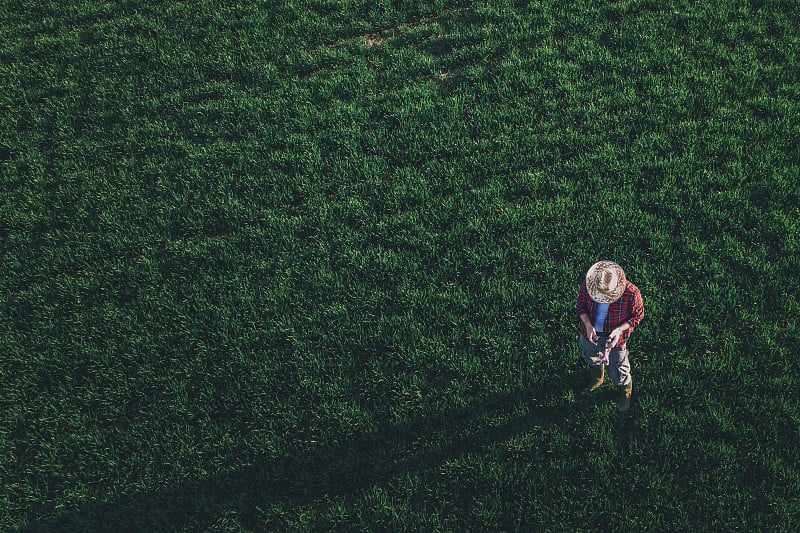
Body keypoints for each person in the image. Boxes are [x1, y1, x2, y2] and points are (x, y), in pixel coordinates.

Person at [576, 260, 644, 413]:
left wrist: (619, 330)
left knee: (619, 368)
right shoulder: (590, 285)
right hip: (590, 335)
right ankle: (597, 379)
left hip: (617, 340)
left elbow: (637, 316)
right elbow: (581, 305)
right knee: (590, 356)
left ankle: (626, 391)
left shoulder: (631, 293)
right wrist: (587, 324)